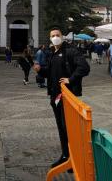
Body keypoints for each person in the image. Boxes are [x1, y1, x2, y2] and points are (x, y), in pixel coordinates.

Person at [33, 27, 90, 169]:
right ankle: (66, 156)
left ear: (62, 37)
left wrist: (71, 79)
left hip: (67, 96)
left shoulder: (71, 51)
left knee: (69, 128)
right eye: (52, 35)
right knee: (61, 128)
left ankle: (74, 158)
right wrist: (41, 70)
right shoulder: (52, 52)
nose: (55, 37)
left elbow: (84, 67)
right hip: (55, 96)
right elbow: (50, 73)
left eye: (57, 35)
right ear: (50, 38)